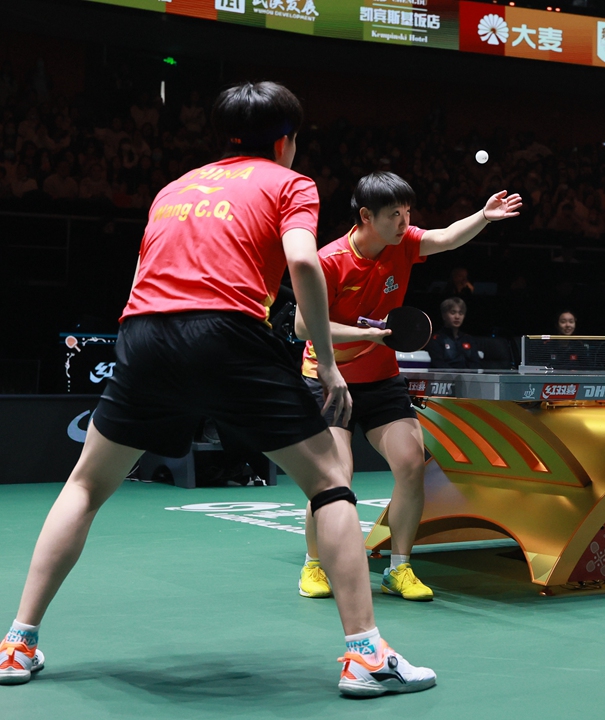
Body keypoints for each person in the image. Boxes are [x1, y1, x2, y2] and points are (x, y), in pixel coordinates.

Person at [0, 82, 435, 697]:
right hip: (228, 330)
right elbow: (305, 263)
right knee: (330, 484)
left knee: (85, 485)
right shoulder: (291, 183)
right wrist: (330, 364)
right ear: (285, 141)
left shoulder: (175, 187)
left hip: (143, 331)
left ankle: (18, 642)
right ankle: (365, 654)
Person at [294, 172, 520, 600]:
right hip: (328, 379)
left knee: (412, 465)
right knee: (333, 477)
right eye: (395, 215)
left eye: (408, 212)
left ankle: (399, 568)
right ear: (365, 216)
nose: (405, 222)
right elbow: (304, 325)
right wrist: (368, 335)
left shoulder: (403, 244)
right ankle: (314, 564)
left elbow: (448, 238)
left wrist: (483, 217)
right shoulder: (329, 261)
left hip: (381, 380)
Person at [428, 297, 481, 368]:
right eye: (453, 313)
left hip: (468, 378)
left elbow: (475, 364)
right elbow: (438, 364)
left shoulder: (468, 339)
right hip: (445, 378)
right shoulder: (436, 339)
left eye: (461, 313)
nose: (457, 317)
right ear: (444, 315)